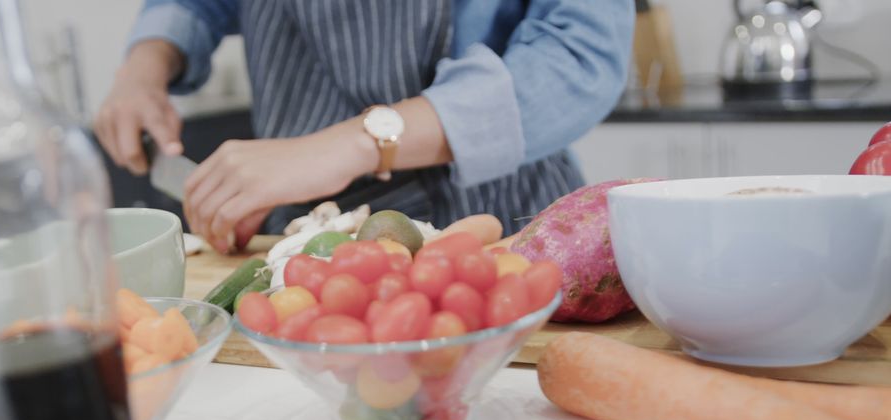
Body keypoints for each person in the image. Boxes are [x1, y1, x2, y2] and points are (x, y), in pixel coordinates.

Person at [96, 0, 634, 253]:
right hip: (303, 237)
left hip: (498, 221)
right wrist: (146, 63)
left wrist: (360, 141)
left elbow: (578, 55)